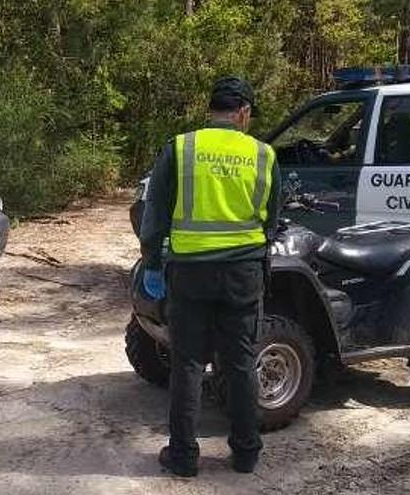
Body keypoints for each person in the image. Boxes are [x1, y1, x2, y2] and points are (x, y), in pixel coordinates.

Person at [138, 76, 281, 477]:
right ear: (244, 113)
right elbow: (272, 219)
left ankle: (184, 457)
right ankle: (247, 453)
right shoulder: (264, 155)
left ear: (211, 110)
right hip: (243, 274)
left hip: (190, 275)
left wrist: (152, 263)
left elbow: (154, 218)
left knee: (187, 365)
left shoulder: (182, 148)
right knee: (239, 364)